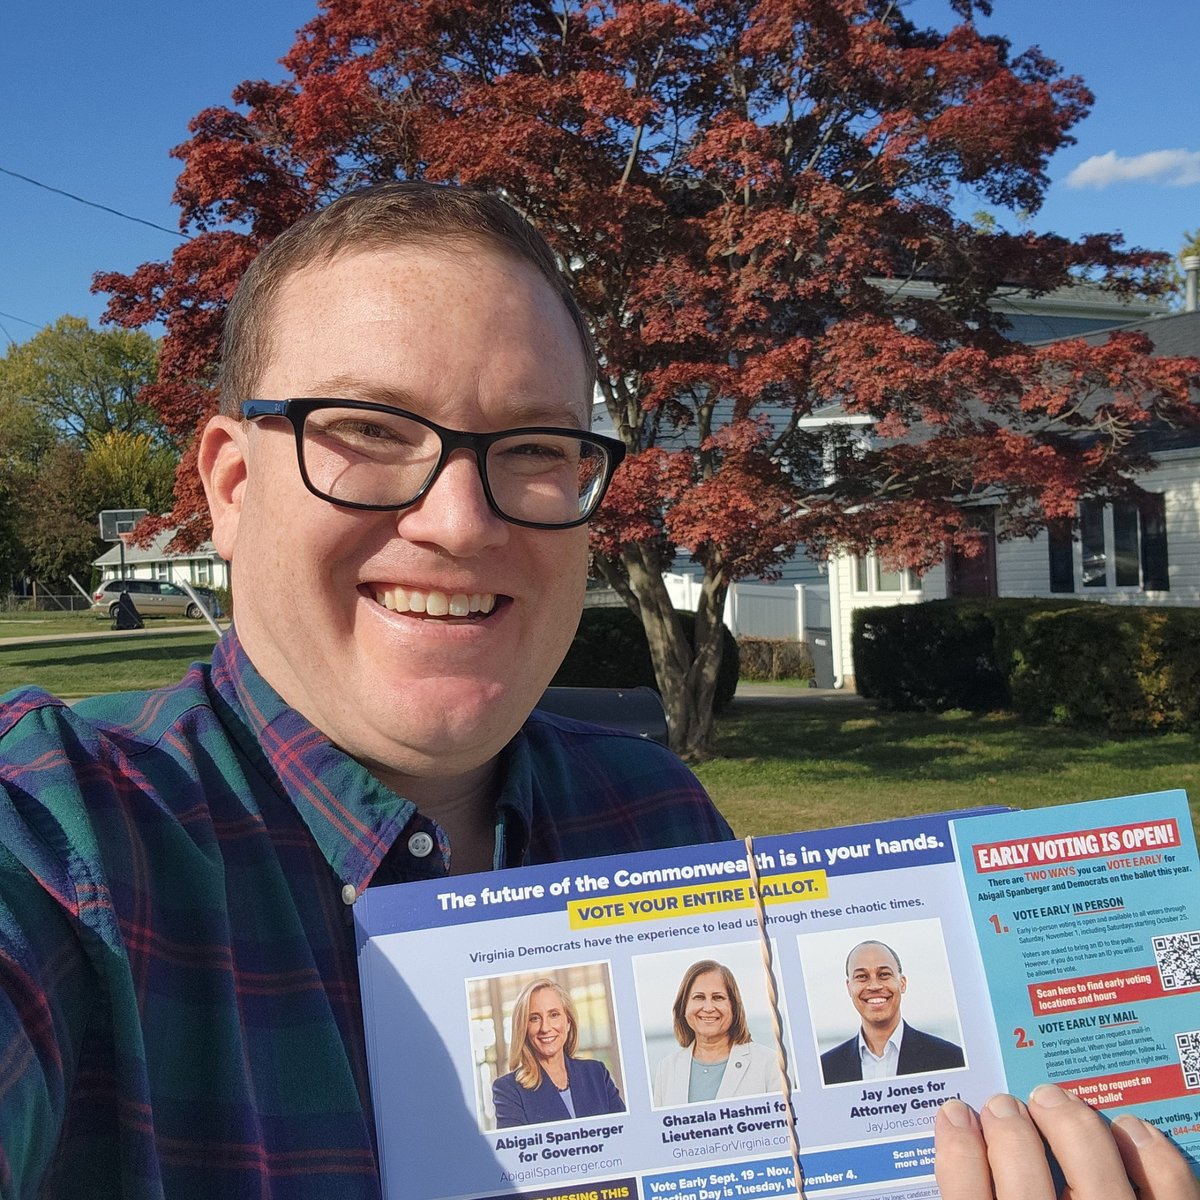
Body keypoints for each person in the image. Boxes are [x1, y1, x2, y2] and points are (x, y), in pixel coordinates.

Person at [0, 182, 1191, 1200]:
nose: (459, 524)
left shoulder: (654, 818)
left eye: (532, 447)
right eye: (363, 429)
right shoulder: (62, 843)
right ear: (231, 483)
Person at [820, 940, 964, 1085]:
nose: (874, 986)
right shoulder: (825, 1070)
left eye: (884, 974)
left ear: (902, 983)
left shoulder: (952, 1058)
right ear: (849, 987)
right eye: (862, 977)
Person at [492, 977, 623, 1127]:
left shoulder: (596, 1073)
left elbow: (623, 1134)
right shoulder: (508, 1090)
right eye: (534, 1018)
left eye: (554, 1015)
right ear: (523, 1029)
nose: (545, 1028)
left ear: (568, 1022)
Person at [652, 959, 779, 1106]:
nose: (708, 1007)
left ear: (733, 1006)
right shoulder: (666, 1069)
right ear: (683, 1006)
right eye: (698, 997)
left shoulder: (770, 1064)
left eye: (718, 997)